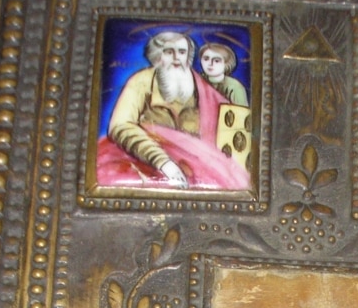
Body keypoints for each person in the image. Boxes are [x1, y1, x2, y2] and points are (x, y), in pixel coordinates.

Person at [96, 30, 250, 190]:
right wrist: (163, 162)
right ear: (157, 56)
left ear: (188, 57)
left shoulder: (203, 87)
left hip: (200, 165)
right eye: (169, 52)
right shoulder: (141, 81)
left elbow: (231, 130)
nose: (177, 58)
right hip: (143, 159)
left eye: (182, 52)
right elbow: (120, 125)